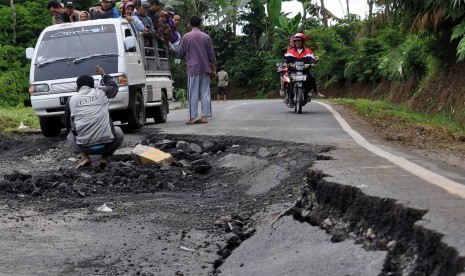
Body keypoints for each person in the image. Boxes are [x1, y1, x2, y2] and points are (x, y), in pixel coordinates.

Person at [65, 65, 123, 170]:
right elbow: (114, 87)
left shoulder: (71, 100)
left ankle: (83, 158)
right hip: (107, 145)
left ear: (77, 88)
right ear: (93, 86)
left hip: (84, 147)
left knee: (69, 135)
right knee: (118, 131)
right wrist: (104, 75)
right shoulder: (102, 92)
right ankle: (106, 158)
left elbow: (68, 125)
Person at [178, 16, 217, 125]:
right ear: (200, 24)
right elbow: (212, 55)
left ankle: (192, 118)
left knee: (193, 93)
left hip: (193, 68)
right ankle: (204, 117)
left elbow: (180, 53)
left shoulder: (187, 37)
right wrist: (214, 69)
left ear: (190, 24)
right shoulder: (206, 37)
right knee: (205, 92)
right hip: (205, 68)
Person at [284, 32, 324, 103]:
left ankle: (315, 92)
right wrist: (285, 63)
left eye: (299, 41)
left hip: (304, 71)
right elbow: (285, 59)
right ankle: (288, 96)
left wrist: (312, 63)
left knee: (312, 78)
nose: (297, 42)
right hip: (293, 71)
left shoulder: (308, 51)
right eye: (296, 41)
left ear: (303, 42)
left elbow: (312, 59)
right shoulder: (290, 51)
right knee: (287, 80)